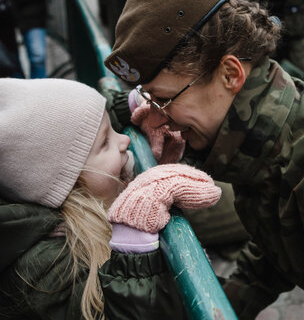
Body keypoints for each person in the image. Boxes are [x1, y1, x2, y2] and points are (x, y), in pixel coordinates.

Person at [104, 0, 304, 319]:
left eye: (164, 99)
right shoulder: (258, 138)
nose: (159, 119)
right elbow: (279, 243)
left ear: (230, 74)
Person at [0, 78, 222, 319]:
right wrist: (134, 241)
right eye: (106, 142)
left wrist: (132, 104)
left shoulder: (50, 195)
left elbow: (76, 135)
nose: (125, 140)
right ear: (69, 184)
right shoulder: (43, 274)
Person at [5, 0, 77, 78]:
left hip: (32, 8)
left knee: (37, 56)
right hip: (5, 12)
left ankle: (37, 90)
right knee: (9, 64)